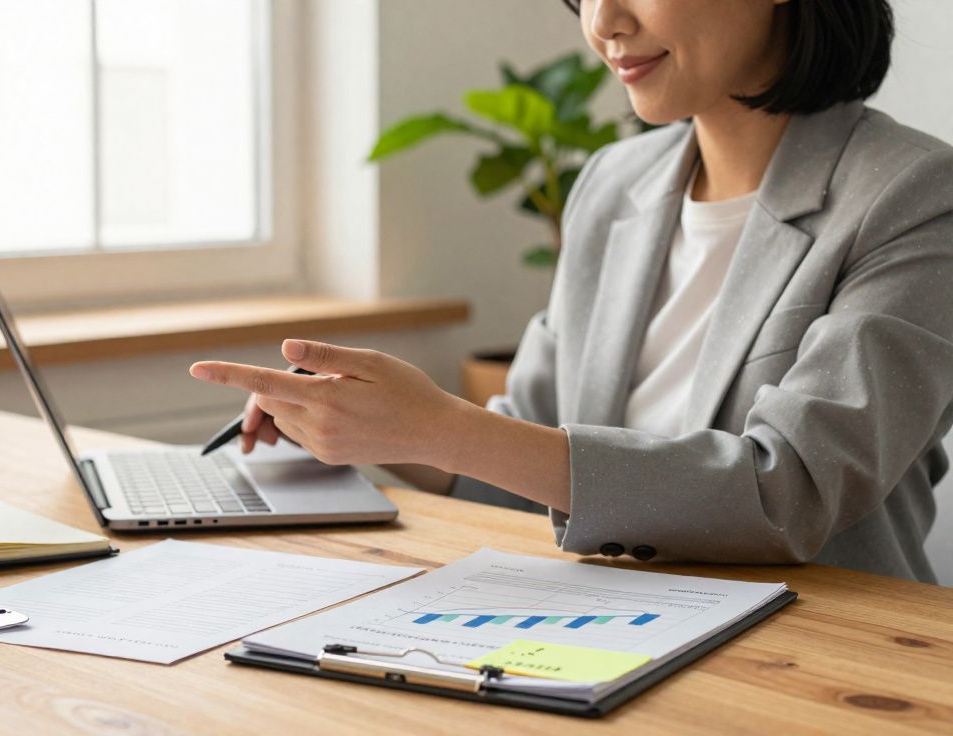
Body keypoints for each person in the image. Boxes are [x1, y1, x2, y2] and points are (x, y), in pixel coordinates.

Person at [189, 0, 953, 583]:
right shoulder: (613, 183)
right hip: (610, 627)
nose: (602, 22)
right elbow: (531, 451)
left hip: (821, 659)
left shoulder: (914, 195)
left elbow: (789, 492)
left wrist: (442, 429)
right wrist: (363, 421)